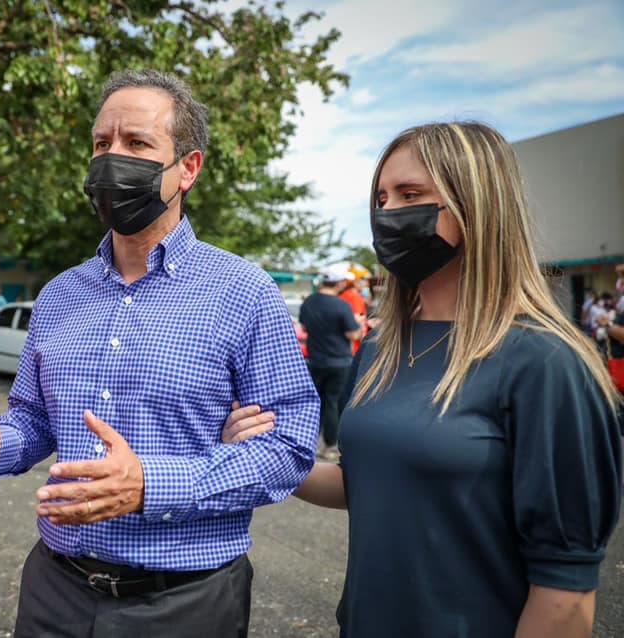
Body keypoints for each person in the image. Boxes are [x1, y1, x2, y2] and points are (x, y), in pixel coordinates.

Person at [0, 69, 319, 637]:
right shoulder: (59, 295)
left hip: (185, 602)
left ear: (188, 169)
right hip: (56, 590)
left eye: (138, 144)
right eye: (102, 144)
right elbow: (36, 418)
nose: (112, 158)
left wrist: (150, 483)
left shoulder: (243, 292)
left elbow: (289, 449)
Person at [224, 121, 623, 638]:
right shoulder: (380, 347)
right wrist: (268, 451)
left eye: (411, 195)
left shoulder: (545, 363)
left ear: (477, 207)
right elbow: (366, 481)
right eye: (381, 199)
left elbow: (564, 597)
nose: (388, 214)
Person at [298, 265, 361, 460]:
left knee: (313, 402)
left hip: (315, 359)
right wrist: (358, 324)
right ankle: (330, 446)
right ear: (340, 283)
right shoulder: (341, 305)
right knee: (332, 402)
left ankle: (306, 442)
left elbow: (304, 328)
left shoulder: (309, 302)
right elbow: (353, 334)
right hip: (339, 361)